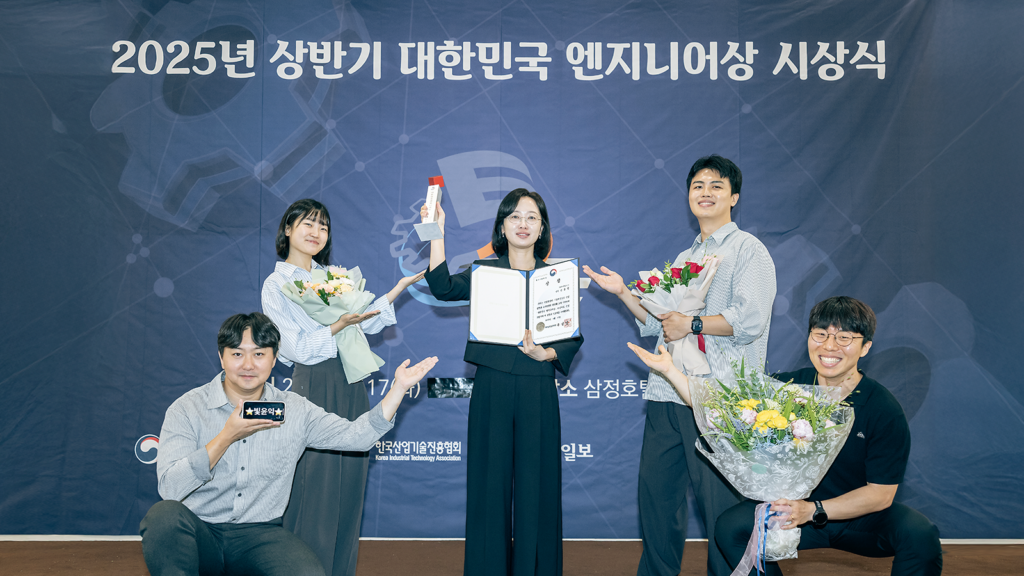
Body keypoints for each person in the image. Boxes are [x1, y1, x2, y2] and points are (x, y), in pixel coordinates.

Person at [584, 154, 777, 576]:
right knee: (657, 503)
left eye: (716, 186)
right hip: (666, 392)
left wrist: (690, 321)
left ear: (734, 197)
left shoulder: (748, 250)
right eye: (697, 186)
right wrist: (622, 293)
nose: (705, 193)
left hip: (718, 396)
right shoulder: (686, 255)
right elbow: (658, 321)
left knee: (720, 509)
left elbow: (749, 320)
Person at [139, 312, 437, 576]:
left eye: (259, 354)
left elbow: (357, 437)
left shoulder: (294, 409)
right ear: (222, 357)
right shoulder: (187, 408)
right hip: (200, 530)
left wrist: (397, 389)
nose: (248, 365)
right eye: (237, 354)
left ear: (274, 357)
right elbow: (170, 489)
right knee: (163, 518)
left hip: (258, 535)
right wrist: (226, 436)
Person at [711, 296, 943, 575]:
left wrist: (813, 509)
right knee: (731, 526)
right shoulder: (787, 388)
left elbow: (881, 495)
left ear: (865, 346)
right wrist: (671, 372)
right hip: (794, 515)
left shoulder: (882, 408)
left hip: (858, 519)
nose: (829, 346)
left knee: (919, 534)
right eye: (820, 334)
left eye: (844, 337)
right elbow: (721, 405)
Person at [420, 188, 584, 576]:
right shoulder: (485, 271)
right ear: (502, 226)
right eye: (515, 216)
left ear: (542, 227)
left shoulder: (556, 276)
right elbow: (442, 286)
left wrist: (550, 353)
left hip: (537, 387)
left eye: (532, 217)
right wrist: (436, 232)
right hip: (492, 386)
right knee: (489, 485)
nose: (523, 224)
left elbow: (570, 332)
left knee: (538, 486)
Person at [260, 198, 424, 576]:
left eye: (324, 226)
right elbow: (293, 348)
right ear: (287, 229)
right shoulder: (276, 284)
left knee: (349, 489)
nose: (316, 232)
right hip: (313, 385)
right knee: (313, 489)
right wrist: (336, 327)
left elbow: (364, 323)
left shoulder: (332, 277)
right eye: (308, 224)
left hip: (351, 383)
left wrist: (397, 288)